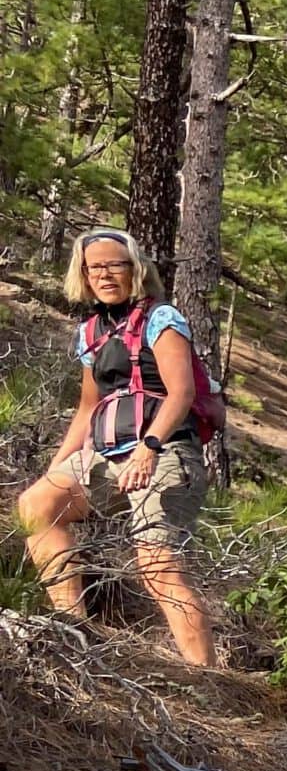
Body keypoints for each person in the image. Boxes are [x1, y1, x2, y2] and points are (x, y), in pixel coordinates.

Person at [15, 227, 216, 665]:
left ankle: (206, 676)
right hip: (107, 454)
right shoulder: (91, 332)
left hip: (164, 453)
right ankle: (73, 632)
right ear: (83, 275)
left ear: (135, 269)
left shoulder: (162, 320)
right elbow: (88, 408)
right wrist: (57, 467)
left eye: (114, 265)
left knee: (158, 568)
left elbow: (180, 394)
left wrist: (148, 448)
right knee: (37, 506)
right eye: (94, 268)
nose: (104, 275)